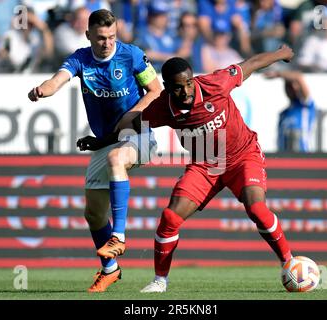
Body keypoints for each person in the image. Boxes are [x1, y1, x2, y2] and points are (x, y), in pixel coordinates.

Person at [77, 45, 295, 293]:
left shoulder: (216, 83)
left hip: (243, 156)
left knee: (256, 208)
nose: (186, 90)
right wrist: (101, 142)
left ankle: (289, 262)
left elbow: (251, 63)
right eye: (178, 87)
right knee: (170, 218)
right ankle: (160, 281)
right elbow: (132, 125)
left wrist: (281, 53)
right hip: (205, 165)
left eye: (189, 83)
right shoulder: (162, 108)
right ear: (167, 88)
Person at [27, 9, 162, 292]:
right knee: (93, 214)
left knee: (117, 158)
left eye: (112, 37)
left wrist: (133, 114)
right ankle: (110, 270)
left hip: (139, 135)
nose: (107, 43)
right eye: (101, 38)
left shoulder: (132, 55)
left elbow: (156, 91)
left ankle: (119, 237)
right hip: (107, 141)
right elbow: (57, 80)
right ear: (88, 35)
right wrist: (43, 90)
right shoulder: (80, 59)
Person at [265, 70, 316, 152]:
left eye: (293, 85)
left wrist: (279, 74)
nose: (291, 88)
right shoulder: (283, 114)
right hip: (285, 158)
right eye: (288, 86)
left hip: (302, 155)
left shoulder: (306, 106)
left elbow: (298, 77)